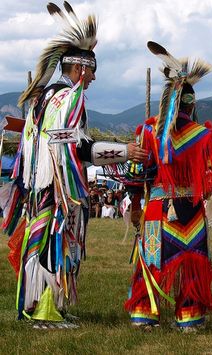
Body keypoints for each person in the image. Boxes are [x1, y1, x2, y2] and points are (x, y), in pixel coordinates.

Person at [1, 2, 147, 328]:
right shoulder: (67, 98)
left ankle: (44, 306)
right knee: (52, 242)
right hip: (56, 189)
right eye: (92, 71)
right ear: (80, 68)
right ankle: (42, 311)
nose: (94, 78)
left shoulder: (48, 97)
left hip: (45, 185)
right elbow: (78, 147)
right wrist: (126, 151)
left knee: (48, 242)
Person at [123, 41, 212, 331]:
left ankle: (144, 314)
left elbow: (137, 173)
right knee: (190, 262)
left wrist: (136, 203)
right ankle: (188, 316)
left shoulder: (148, 132)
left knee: (151, 260)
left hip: (157, 209)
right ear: (192, 104)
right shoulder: (202, 136)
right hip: (190, 209)